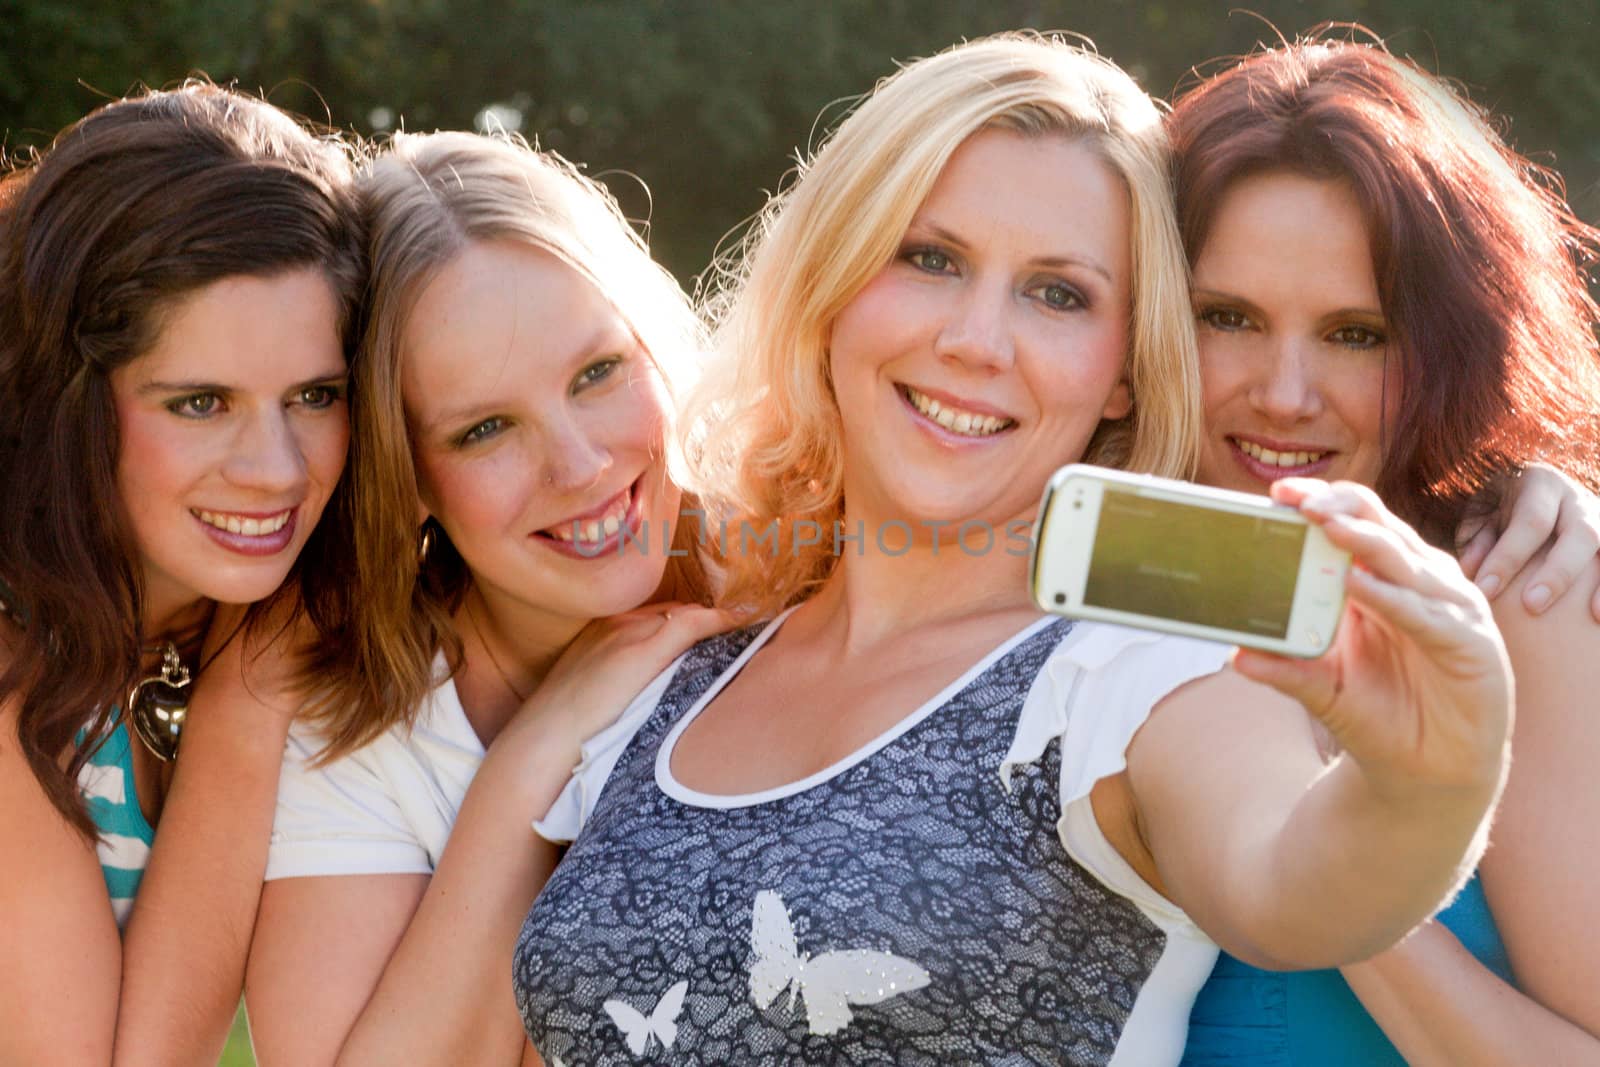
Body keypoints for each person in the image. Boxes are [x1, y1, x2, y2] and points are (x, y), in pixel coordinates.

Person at [511, 33, 1512, 1065]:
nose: (977, 341)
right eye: (929, 258)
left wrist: (1424, 782)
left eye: (1057, 293)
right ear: (831, 283)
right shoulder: (678, 668)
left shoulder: (1134, 663)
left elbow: (1286, 883)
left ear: (1123, 371)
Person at [242, 131, 727, 1066]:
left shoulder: (807, 593)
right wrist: (529, 763)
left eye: (598, 373)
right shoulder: (361, 725)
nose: (581, 467)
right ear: (406, 473)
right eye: (485, 429)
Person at [1169, 37, 1600, 1064]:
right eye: (1226, 317)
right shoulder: (1052, 572)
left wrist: (1356, 835)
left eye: (1354, 333)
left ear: (1452, 348)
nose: (1283, 392)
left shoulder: (1520, 586)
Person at [0, 84, 363, 1064]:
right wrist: (250, 701)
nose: (278, 468)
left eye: (315, 395)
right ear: (68, 400)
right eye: (200, 401)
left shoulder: (316, 627)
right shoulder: (14, 663)